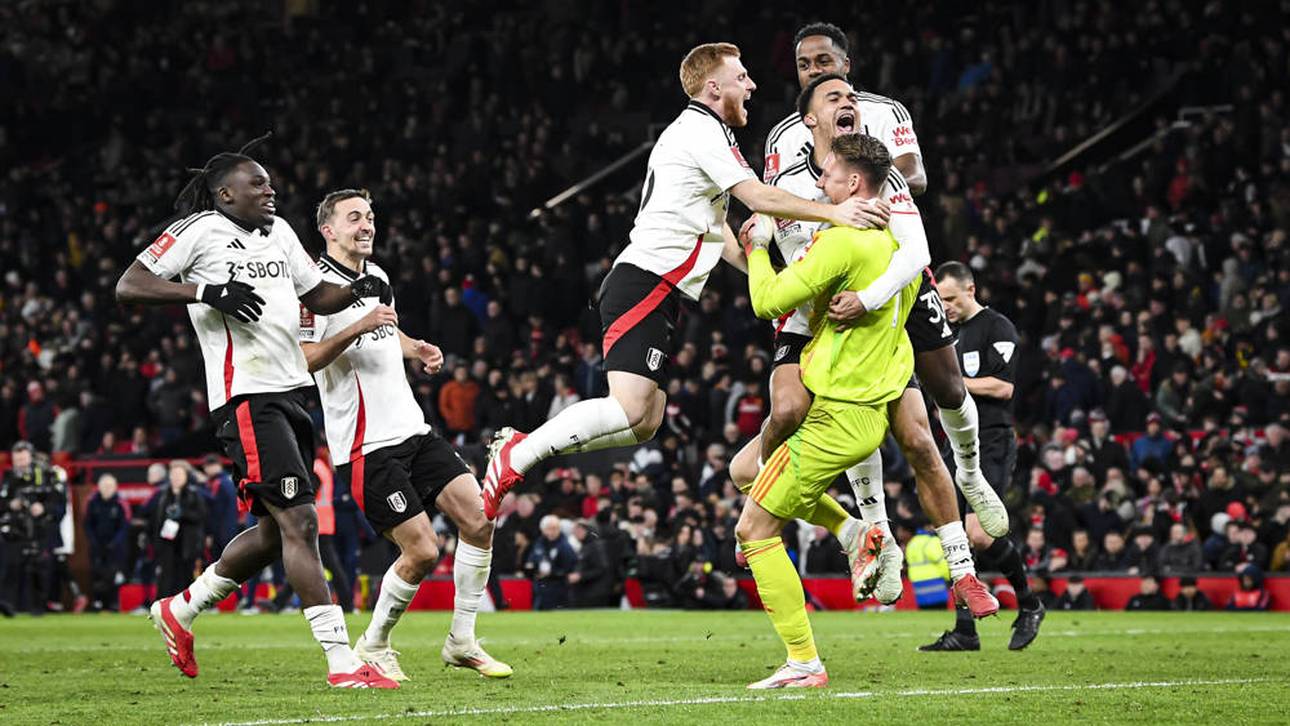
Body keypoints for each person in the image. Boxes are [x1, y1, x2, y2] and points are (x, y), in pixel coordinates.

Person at [481, 41, 886, 518]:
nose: (752, 85)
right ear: (714, 88)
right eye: (742, 78)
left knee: (647, 419)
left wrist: (777, 277)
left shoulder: (706, 134)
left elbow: (720, 233)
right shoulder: (699, 130)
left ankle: (525, 446)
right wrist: (835, 212)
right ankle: (518, 453)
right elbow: (757, 196)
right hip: (645, 279)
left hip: (660, 288)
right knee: (630, 408)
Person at [114, 135, 397, 688]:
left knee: (273, 534)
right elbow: (130, 285)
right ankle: (342, 662)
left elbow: (316, 296)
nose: (271, 190)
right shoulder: (198, 230)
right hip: (246, 396)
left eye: (269, 182)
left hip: (293, 392)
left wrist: (359, 287)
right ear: (224, 193)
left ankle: (182, 608)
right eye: (257, 183)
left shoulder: (281, 231)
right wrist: (205, 291)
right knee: (302, 522)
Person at [736, 134, 993, 690]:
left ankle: (804, 661)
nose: (821, 186)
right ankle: (856, 532)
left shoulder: (841, 243)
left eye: (827, 176)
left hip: (833, 422)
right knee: (742, 471)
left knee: (753, 530)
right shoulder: (899, 261)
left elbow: (766, 302)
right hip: (869, 416)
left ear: (855, 184)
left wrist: (757, 246)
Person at [768, 22, 1009, 544]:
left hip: (897, 266)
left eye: (825, 62)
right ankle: (874, 528)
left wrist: (869, 172)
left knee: (947, 385)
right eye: (806, 65)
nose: (816, 70)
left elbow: (913, 178)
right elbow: (776, 206)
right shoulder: (784, 136)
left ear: (846, 65)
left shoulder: (882, 112)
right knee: (851, 401)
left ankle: (971, 474)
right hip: (837, 279)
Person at [299, 189, 510, 679]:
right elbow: (305, 359)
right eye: (354, 218)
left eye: (370, 216)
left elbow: (385, 329)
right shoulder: (311, 287)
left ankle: (462, 639)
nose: (366, 225)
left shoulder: (378, 278)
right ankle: (373, 644)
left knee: (480, 521)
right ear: (328, 230)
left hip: (413, 430)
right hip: (366, 446)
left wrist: (416, 347)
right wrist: (358, 325)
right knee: (421, 550)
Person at [922, 262, 1044, 652]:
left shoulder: (997, 327)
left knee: (979, 533)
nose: (947, 307)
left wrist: (952, 385)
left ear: (971, 291)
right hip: (953, 443)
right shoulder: (947, 334)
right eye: (941, 301)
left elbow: (1003, 387)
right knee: (955, 536)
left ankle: (1030, 604)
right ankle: (964, 630)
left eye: (952, 300)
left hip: (990, 440)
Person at [151, 461, 207, 599]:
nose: (176, 478)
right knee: (166, 575)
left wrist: (183, 513)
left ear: (186, 476)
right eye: (173, 475)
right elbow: (156, 519)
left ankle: (185, 605)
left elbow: (201, 516)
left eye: (179, 475)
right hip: (168, 543)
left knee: (185, 574)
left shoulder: (194, 494)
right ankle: (163, 604)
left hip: (187, 543)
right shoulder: (163, 495)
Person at [83, 473, 129, 611]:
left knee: (113, 575)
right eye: (104, 486)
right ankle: (97, 602)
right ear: (99, 487)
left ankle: (113, 603)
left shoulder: (121, 503)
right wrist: (93, 541)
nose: (107, 489)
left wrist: (115, 543)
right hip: (97, 545)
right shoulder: (92, 502)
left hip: (115, 547)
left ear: (115, 487)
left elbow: (124, 525)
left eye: (110, 486)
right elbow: (87, 524)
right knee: (97, 573)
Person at [527, 515, 577, 610]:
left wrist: (554, 573)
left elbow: (571, 567)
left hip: (558, 588)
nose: (553, 531)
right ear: (543, 530)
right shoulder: (539, 543)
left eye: (556, 528)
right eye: (550, 528)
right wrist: (533, 569)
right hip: (540, 587)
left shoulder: (565, 546)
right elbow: (531, 560)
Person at [200, 455, 239, 561]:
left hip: (221, 529)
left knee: (220, 561)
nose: (205, 470)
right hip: (231, 525)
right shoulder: (230, 479)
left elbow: (215, 506)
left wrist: (201, 489)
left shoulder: (218, 482)